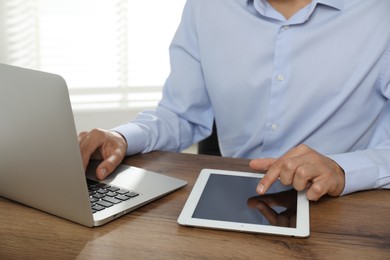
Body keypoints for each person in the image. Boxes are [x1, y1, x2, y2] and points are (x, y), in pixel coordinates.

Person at [78, 0, 390, 201]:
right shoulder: (206, 8)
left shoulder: (380, 14)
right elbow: (183, 114)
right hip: (232, 201)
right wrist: (121, 137)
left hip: (344, 206)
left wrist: (342, 168)